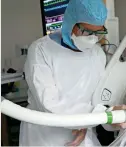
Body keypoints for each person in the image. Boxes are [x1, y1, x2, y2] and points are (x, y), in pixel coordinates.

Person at [19, 0, 107, 146]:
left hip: (82, 131)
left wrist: (86, 125)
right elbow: (48, 103)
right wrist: (90, 118)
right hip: (44, 135)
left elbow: (96, 97)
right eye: (86, 31)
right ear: (70, 23)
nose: (92, 38)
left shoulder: (98, 54)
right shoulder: (41, 50)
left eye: (98, 32)